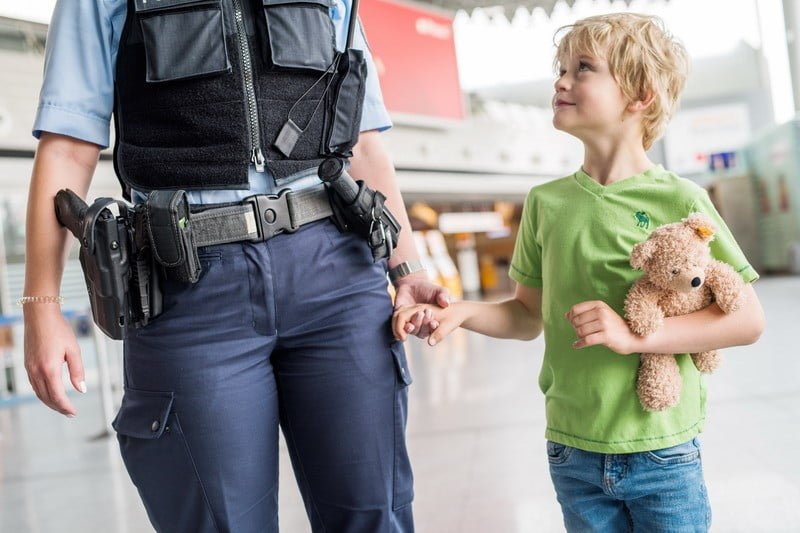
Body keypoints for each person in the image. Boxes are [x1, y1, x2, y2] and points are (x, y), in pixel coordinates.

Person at [22, 0, 446, 531]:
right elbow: (66, 148)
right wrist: (41, 305)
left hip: (336, 270)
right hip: (188, 286)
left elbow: (362, 139)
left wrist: (407, 272)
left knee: (374, 515)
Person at [394, 13, 766, 532]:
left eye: (583, 68)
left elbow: (746, 320)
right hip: (572, 448)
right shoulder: (546, 203)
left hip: (663, 448)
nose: (561, 81)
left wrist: (636, 337)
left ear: (639, 95)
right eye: (560, 67)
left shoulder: (680, 199)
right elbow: (526, 315)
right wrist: (462, 313)